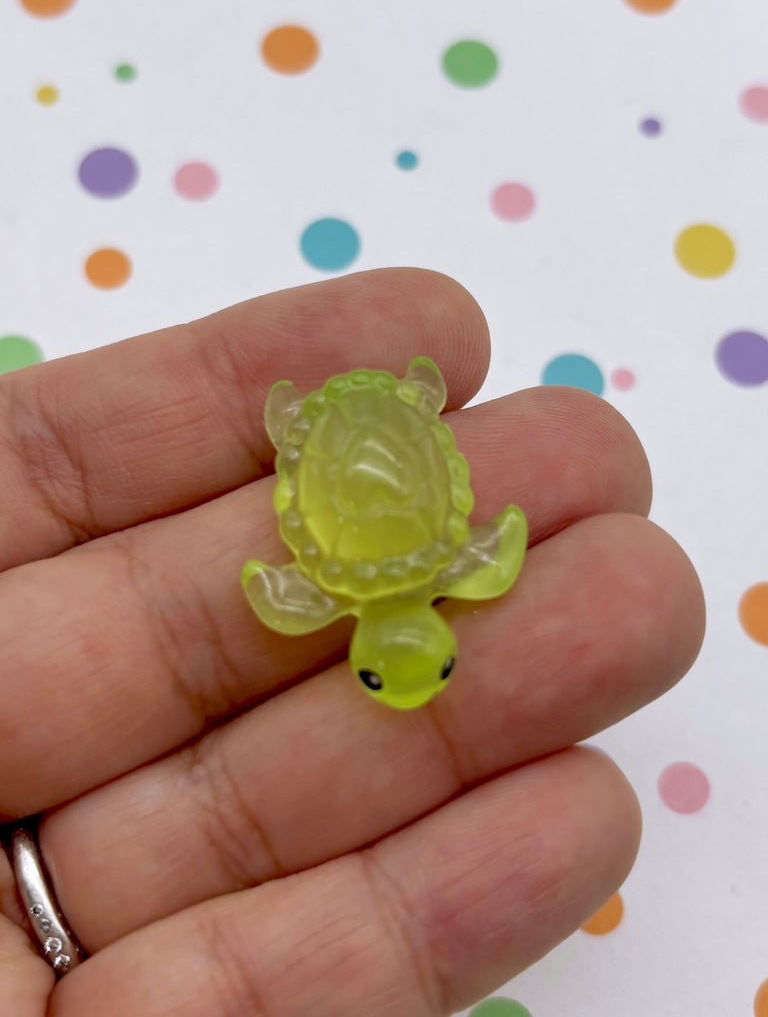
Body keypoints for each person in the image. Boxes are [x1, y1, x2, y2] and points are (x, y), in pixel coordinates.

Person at [0, 269, 704, 1017]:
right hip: (396, 434)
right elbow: (491, 547)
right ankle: (381, 411)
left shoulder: (343, 586)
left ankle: (328, 423)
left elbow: (295, 593)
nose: (402, 682)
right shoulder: (442, 565)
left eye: (389, 674)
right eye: (391, 675)